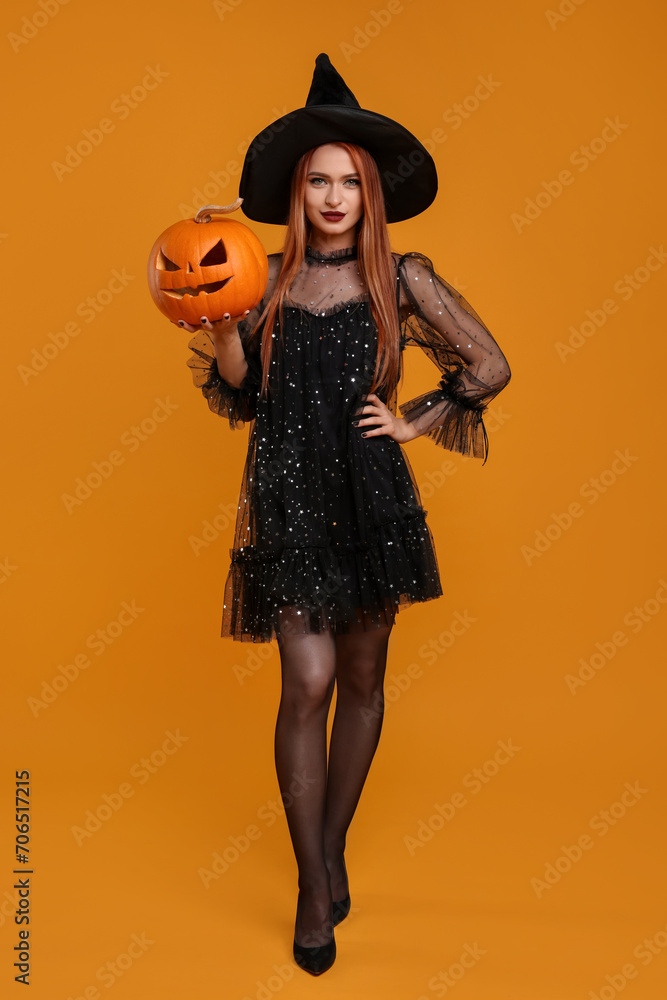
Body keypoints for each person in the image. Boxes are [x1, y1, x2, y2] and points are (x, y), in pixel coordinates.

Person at [180, 54, 511, 976]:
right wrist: (215, 320)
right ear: (298, 193)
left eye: (348, 183)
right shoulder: (269, 276)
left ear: (370, 195)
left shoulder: (402, 276)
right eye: (317, 181)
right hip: (286, 496)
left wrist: (412, 422)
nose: (332, 196)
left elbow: (486, 366)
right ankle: (310, 884)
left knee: (362, 685)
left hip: (370, 500)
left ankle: (328, 858)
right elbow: (241, 389)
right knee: (308, 685)